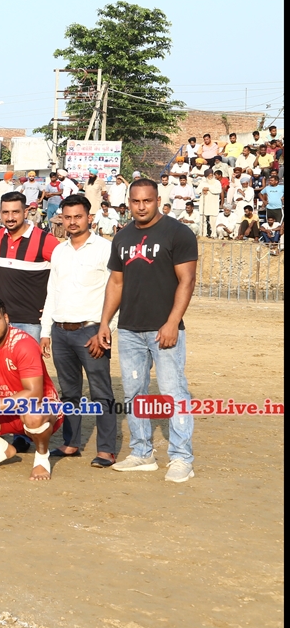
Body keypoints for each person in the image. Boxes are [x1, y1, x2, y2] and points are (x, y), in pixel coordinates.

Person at [98, 178, 198, 483]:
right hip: (129, 329)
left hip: (164, 328)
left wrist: (172, 322)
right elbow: (116, 282)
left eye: (147, 201)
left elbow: (187, 280)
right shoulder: (122, 237)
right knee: (134, 393)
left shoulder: (178, 233)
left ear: (158, 200)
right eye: (136, 201)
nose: (141, 207)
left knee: (173, 392)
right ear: (128, 202)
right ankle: (142, 453)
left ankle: (181, 458)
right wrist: (105, 322)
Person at [40, 195, 118, 468]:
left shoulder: (105, 249)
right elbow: (52, 291)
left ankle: (106, 450)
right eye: (67, 217)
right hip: (61, 331)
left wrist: (105, 330)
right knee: (69, 391)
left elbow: (117, 291)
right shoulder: (59, 251)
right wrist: (46, 331)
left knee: (101, 392)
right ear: (61, 219)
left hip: (91, 332)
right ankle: (71, 442)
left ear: (89, 218)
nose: (72, 222)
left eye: (78, 216)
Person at [0, 296, 63, 481]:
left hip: (39, 406)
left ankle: (41, 458)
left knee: (33, 415)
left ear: (6, 318)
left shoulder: (23, 344)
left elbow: (34, 394)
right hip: (4, 410)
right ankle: (1, 448)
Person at [0, 192, 59, 343]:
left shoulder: (45, 240)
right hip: (1, 321)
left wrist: (55, 307)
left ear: (25, 212)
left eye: (15, 212)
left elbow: (69, 273)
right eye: (5, 212)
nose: (10, 217)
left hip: (32, 323)